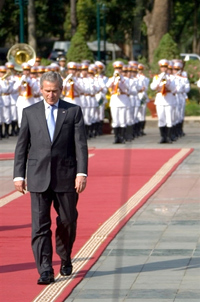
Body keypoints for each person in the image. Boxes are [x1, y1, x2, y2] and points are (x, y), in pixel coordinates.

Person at [13, 71, 88, 285]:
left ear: (61, 90)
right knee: (39, 226)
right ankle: (45, 269)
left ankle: (65, 257)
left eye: (55, 91)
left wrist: (81, 173)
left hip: (66, 176)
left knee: (68, 221)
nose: (51, 95)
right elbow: (21, 146)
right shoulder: (30, 112)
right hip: (37, 176)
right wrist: (19, 175)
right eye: (47, 91)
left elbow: (80, 145)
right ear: (40, 90)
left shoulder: (72, 111)